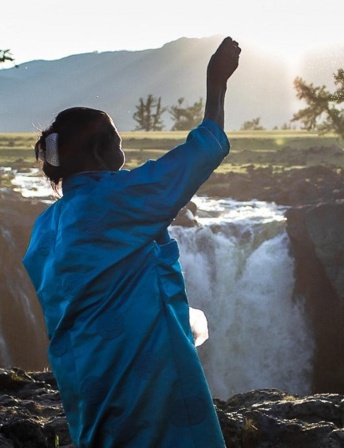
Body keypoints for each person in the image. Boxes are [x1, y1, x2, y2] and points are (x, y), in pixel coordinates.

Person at [22, 36, 241, 448]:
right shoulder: (114, 200)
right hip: (144, 372)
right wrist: (217, 84)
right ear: (102, 151)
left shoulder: (45, 228)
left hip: (87, 378)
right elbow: (201, 151)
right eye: (118, 140)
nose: (124, 149)